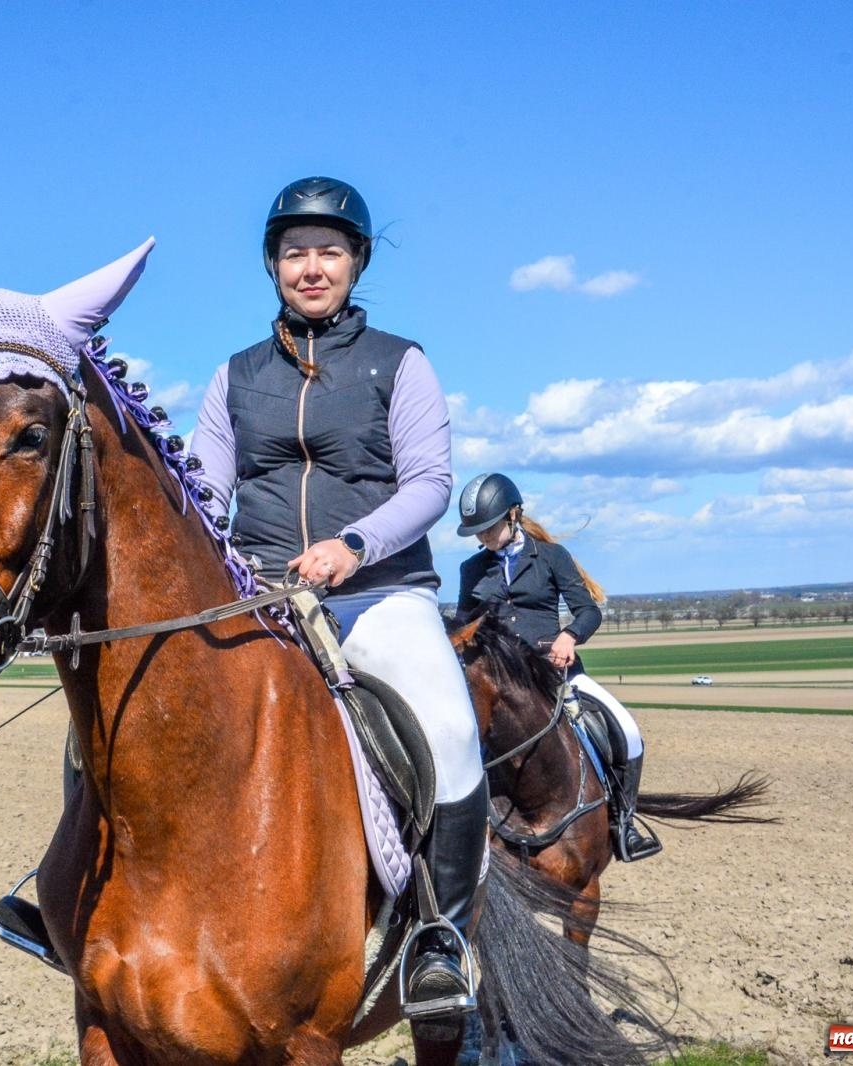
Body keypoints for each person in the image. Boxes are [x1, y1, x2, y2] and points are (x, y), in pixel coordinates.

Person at [192, 176, 490, 1025]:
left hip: (377, 592)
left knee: (450, 726)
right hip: (260, 597)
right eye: (294, 253)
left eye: (328, 251)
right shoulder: (233, 376)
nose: (311, 267)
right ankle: (72, 894)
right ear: (272, 266)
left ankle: (440, 937)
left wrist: (352, 545)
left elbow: (431, 483)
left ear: (356, 261)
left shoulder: (402, 362)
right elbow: (207, 491)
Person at [455, 472, 662, 861]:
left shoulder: (551, 557)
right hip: (500, 683)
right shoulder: (471, 569)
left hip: (556, 674)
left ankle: (622, 822)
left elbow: (587, 610)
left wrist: (569, 637)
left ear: (514, 515)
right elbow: (468, 624)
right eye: (476, 532)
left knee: (628, 732)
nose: (481, 537)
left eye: (488, 528)